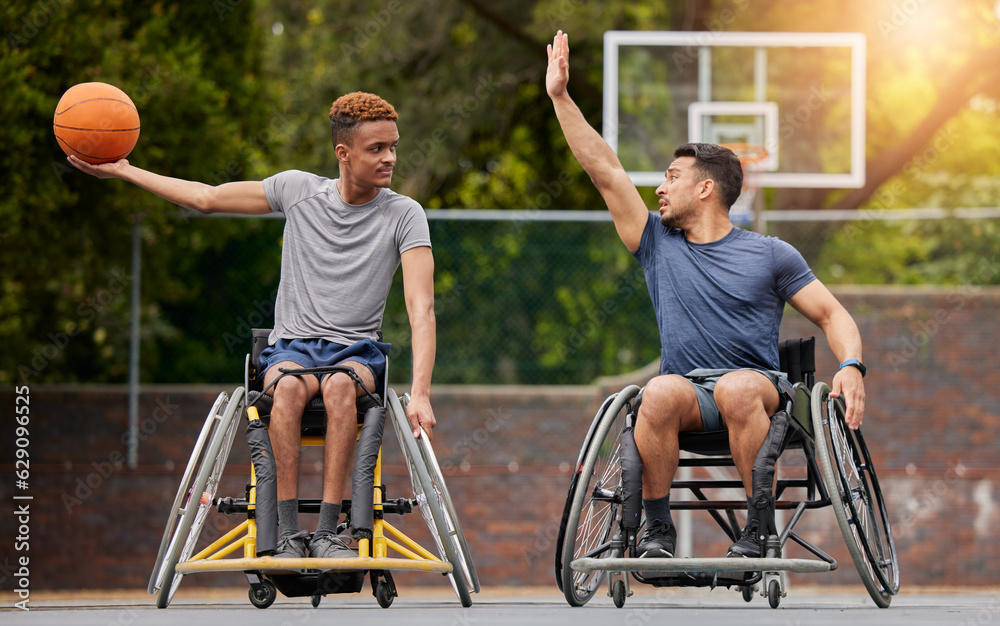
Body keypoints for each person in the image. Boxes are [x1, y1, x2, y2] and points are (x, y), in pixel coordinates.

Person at [68, 92, 437, 561]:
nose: (390, 158)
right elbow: (206, 198)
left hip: (356, 354)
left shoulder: (405, 214)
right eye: (377, 149)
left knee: (341, 389)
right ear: (343, 154)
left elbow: (421, 308)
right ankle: (285, 534)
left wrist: (421, 391)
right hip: (293, 349)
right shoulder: (297, 190)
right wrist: (123, 170)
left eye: (393, 147)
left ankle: (326, 533)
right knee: (285, 391)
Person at [545, 31, 867, 559]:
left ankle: (758, 526)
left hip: (756, 391)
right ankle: (655, 530)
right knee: (658, 392)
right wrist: (560, 97)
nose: (659, 188)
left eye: (672, 177)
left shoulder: (771, 254)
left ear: (705, 188)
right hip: (689, 397)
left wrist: (852, 364)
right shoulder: (656, 242)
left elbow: (832, 314)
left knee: (738, 388)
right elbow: (605, 170)